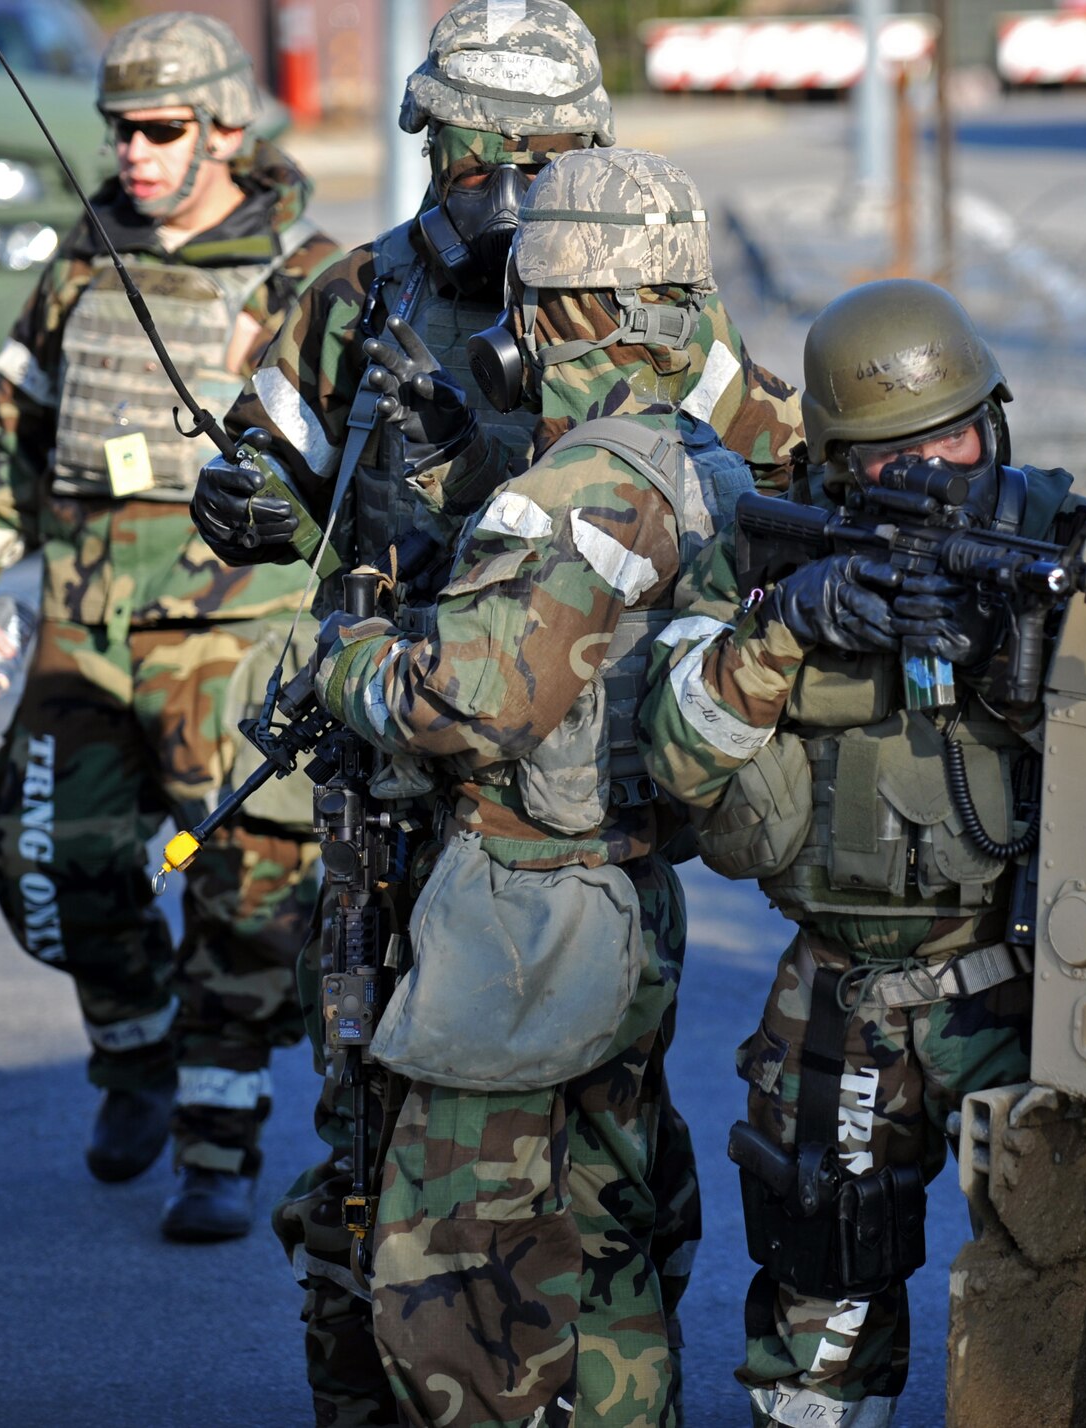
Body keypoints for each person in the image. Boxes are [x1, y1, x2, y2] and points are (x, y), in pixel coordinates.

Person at [192, 3, 801, 1419]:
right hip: (390, 802)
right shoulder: (361, 295)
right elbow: (267, 476)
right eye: (490, 167)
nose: (520, 195)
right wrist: (248, 507)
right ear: (435, 150)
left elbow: (745, 475)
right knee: (382, 1150)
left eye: (550, 158)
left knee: (599, 1169)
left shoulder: (642, 291)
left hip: (565, 806)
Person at [286, 145, 752, 1428]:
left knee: (468, 1286)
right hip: (621, 904)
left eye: (526, 305)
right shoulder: (704, 461)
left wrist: (345, 665)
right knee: (601, 1242)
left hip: (521, 921)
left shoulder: (576, 489)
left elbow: (465, 705)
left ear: (567, 312)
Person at [638, 278, 1085, 1427]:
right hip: (838, 991)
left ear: (995, 422)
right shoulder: (768, 568)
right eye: (900, 452)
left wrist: (1018, 656)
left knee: (1056, 1285)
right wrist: (792, 624)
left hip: (1023, 979)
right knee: (819, 1287)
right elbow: (680, 764)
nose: (939, 468)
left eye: (956, 433)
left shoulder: (1055, 543)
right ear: (837, 466)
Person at [0, 12, 337, 1241]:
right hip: (87, 628)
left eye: (160, 129)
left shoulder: (309, 275)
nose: (135, 152)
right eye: (117, 130)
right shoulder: (80, 259)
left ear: (225, 129)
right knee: (49, 865)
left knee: (247, 892)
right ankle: (136, 1050)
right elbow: (8, 431)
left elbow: (370, 471)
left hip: (240, 640)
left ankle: (219, 1142)